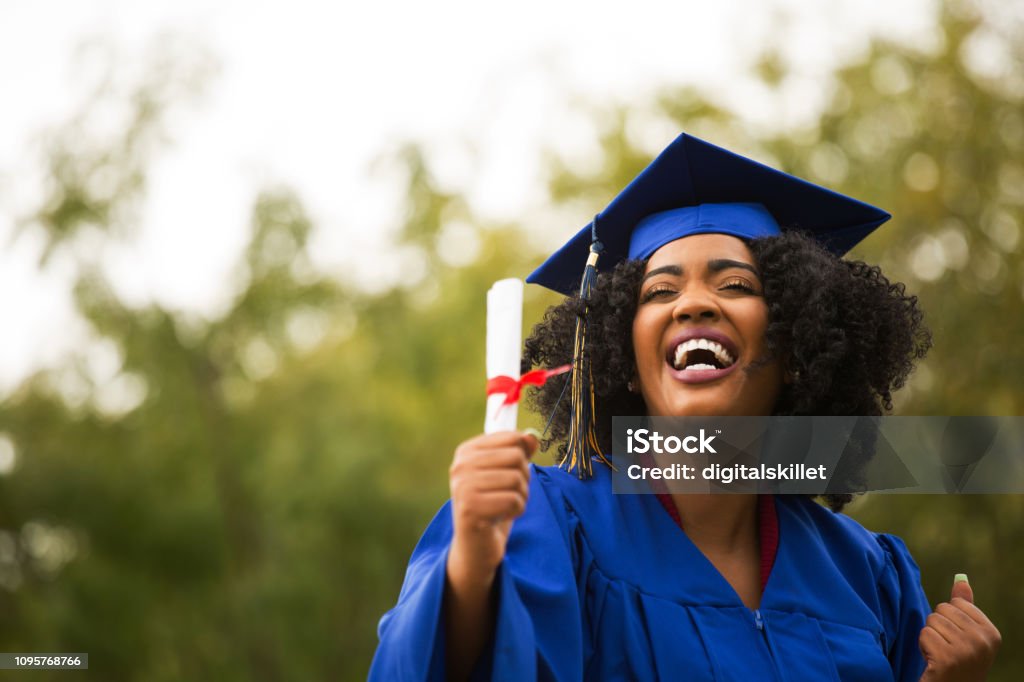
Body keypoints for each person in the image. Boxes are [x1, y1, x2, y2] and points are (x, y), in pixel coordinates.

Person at [368, 133, 1001, 681]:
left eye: (736, 285)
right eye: (660, 290)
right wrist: (472, 565)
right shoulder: (547, 522)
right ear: (622, 354)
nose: (692, 304)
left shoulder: (868, 575)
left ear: (800, 342)